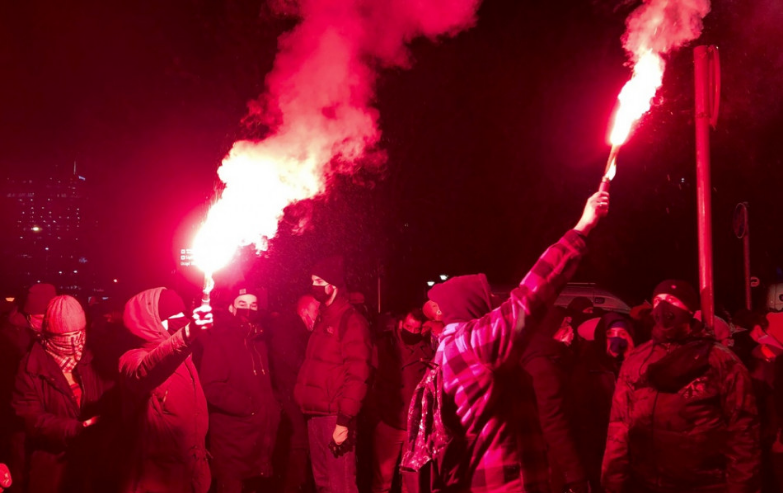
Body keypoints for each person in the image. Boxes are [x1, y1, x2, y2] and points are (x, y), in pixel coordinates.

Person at [402, 191, 609, 493]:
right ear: (471, 307)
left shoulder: (448, 350)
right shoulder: (469, 344)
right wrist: (582, 228)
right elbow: (529, 299)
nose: (497, 308)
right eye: (491, 302)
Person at [602, 280, 761, 493]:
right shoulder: (637, 359)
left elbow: (743, 430)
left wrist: (742, 486)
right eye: (657, 300)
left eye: (671, 300)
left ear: (688, 309)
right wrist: (613, 479)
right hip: (646, 484)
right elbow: (620, 424)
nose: (662, 308)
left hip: (705, 486)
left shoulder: (719, 361)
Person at [12, 295, 113, 493]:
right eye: (65, 337)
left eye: (78, 334)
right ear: (50, 335)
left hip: (92, 468)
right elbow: (32, 419)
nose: (75, 344)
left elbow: (109, 398)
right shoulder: (30, 367)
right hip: (53, 472)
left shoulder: (93, 359)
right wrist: (77, 429)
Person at [118, 288, 213, 493]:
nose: (180, 321)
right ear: (150, 322)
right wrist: (188, 333)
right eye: (173, 318)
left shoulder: (185, 358)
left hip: (189, 476)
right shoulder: (131, 358)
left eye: (183, 317)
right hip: (156, 480)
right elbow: (144, 372)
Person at [295, 256, 372, 493]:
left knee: (341, 485)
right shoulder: (323, 318)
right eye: (312, 281)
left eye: (320, 281)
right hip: (315, 414)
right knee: (323, 484)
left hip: (334, 416)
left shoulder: (351, 321)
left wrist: (344, 420)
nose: (315, 285)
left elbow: (358, 374)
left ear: (334, 285)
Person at [198, 286, 281, 493]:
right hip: (233, 439)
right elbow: (212, 386)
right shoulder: (220, 338)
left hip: (257, 437)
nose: (248, 309)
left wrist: (271, 407)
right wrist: (248, 407)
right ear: (232, 308)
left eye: (253, 305)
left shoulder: (258, 339)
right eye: (242, 304)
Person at [518, 306, 587, 493]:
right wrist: (573, 473)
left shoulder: (546, 359)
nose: (571, 331)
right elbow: (554, 423)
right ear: (550, 330)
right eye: (565, 326)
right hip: (552, 461)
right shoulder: (544, 368)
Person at [0, 283, 57, 493]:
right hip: (16, 421)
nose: (48, 323)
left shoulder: (35, 336)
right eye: (43, 317)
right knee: (20, 473)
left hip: (34, 420)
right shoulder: (10, 339)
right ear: (30, 315)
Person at [568, 312, 633, 493]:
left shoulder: (636, 366)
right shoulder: (587, 369)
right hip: (599, 453)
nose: (616, 340)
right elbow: (583, 421)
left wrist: (631, 359)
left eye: (622, 334)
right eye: (609, 334)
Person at [371, 309, 434, 493]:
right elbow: (371, 381)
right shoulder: (384, 346)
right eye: (408, 327)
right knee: (382, 482)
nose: (412, 332)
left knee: (411, 484)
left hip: (413, 426)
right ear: (400, 324)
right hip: (388, 422)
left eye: (416, 329)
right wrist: (376, 419)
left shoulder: (426, 350)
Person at [269, 295, 318, 493]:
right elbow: (296, 362)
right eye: (316, 311)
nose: (318, 317)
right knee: (296, 446)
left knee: (299, 446)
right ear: (305, 311)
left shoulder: (295, 330)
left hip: (295, 396)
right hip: (290, 397)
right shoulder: (288, 330)